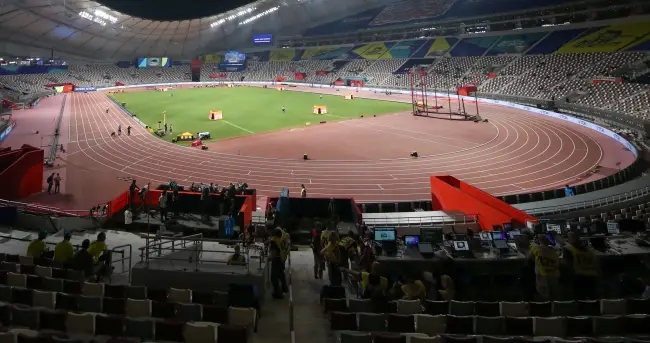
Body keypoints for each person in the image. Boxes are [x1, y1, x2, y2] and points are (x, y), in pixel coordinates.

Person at [564, 232, 599, 299]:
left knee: (580, 298)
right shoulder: (589, 250)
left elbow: (567, 265)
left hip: (579, 276)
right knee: (593, 297)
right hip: (592, 275)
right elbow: (596, 263)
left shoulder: (568, 249)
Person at [529, 234, 561, 300]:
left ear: (539, 241)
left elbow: (530, 258)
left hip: (541, 276)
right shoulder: (554, 251)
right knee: (553, 295)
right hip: (553, 276)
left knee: (542, 295)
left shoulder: (535, 248)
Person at [269, 228, 289, 299]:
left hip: (276, 260)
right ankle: (284, 288)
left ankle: (278, 293)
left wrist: (268, 258)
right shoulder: (279, 240)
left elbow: (273, 253)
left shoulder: (273, 241)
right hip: (281, 259)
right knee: (281, 275)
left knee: (273, 278)